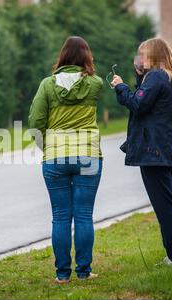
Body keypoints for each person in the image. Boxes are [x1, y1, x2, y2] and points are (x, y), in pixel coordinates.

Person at [28, 36, 104, 283]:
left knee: (60, 215)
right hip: (88, 156)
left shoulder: (47, 85)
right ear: (86, 57)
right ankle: (84, 272)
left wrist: (46, 148)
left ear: (62, 56)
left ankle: (62, 275)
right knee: (83, 215)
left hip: (55, 157)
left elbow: (35, 123)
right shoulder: (95, 83)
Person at [110, 37, 172, 265]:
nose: (140, 58)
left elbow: (138, 104)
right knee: (166, 203)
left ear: (154, 54)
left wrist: (120, 86)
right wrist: (139, 77)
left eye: (143, 54)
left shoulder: (156, 76)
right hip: (168, 149)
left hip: (154, 151)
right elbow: (148, 100)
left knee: (165, 207)